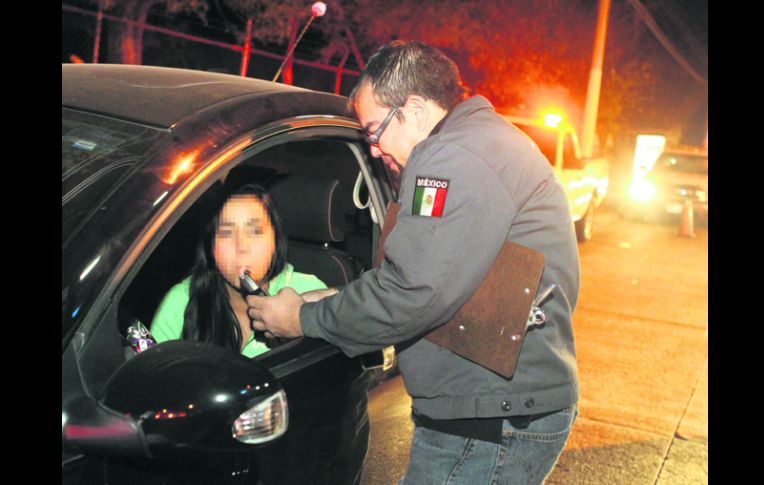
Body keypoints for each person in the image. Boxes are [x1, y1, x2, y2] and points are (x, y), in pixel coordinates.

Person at [248, 40, 580, 484]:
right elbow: (438, 278)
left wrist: (300, 318)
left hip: (487, 421)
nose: (372, 150)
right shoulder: (477, 144)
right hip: (498, 408)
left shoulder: (450, 159)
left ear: (416, 110)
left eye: (372, 131)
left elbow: (413, 292)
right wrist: (333, 297)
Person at [150, 182, 327, 358]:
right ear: (211, 247)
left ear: (275, 241)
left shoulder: (306, 293)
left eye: (255, 231)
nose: (241, 246)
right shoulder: (181, 300)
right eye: (226, 233)